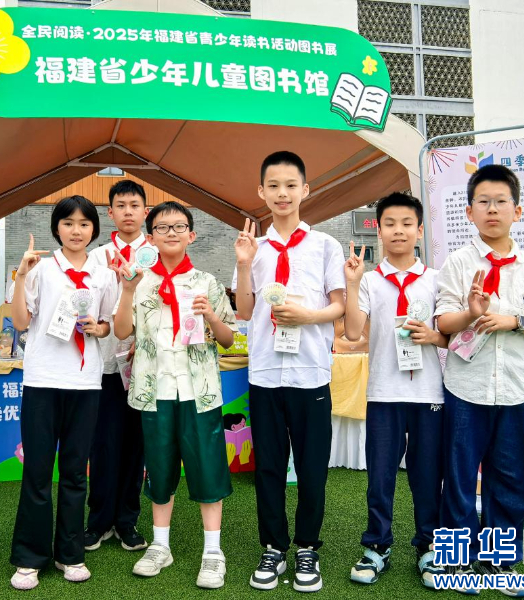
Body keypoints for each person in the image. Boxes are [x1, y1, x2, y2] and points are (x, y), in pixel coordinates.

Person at [435, 164, 524, 596]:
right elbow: (443, 322)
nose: (492, 209)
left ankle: (498, 562)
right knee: (459, 476)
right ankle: (457, 561)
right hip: (466, 387)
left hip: (514, 388)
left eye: (501, 201)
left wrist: (513, 320)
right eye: (483, 202)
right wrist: (471, 312)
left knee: (512, 476)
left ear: (517, 211)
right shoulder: (458, 262)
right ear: (469, 212)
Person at [233, 151, 345, 592]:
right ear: (261, 191)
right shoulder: (253, 248)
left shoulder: (325, 246)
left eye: (291, 185)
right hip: (265, 374)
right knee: (269, 468)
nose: (283, 193)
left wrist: (308, 316)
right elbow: (245, 311)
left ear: (305, 190)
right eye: (274, 186)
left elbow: (338, 306)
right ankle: (273, 547)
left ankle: (307, 548)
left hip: (310, 373)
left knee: (313, 468)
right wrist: (244, 265)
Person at [113, 201, 237, 589]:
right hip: (155, 392)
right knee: (159, 468)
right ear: (149, 238)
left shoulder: (207, 282)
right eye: (162, 227)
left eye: (179, 226)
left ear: (191, 235)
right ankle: (160, 545)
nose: (171, 233)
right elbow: (121, 331)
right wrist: (127, 289)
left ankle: (213, 552)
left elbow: (229, 340)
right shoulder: (139, 281)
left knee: (207, 469)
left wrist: (211, 316)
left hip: (199, 393)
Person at [8, 195, 118, 590]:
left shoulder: (104, 274)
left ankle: (70, 553)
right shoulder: (40, 269)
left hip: (85, 382)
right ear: (56, 227)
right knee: (37, 472)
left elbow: (108, 323)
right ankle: (29, 557)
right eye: (68, 223)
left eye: (84, 224)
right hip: (42, 380)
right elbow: (21, 322)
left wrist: (98, 329)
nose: (76, 230)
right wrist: (21, 276)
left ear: (94, 229)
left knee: (74, 473)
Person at [343, 192, 447, 588]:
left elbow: (451, 336)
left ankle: (429, 546)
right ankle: (377, 545)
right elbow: (353, 332)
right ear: (379, 231)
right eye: (389, 223)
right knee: (380, 476)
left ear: (419, 231)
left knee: (427, 476)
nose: (398, 230)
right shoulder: (370, 281)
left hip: (429, 394)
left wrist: (432, 335)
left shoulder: (437, 280)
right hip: (384, 393)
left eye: (406, 223)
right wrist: (352, 283)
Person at [83, 180, 150, 552]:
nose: (128, 211)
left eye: (134, 205)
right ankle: (98, 521)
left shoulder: (155, 254)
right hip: (106, 367)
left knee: (135, 447)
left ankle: (127, 521)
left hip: (144, 368)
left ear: (145, 211)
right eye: (120, 205)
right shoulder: (96, 257)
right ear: (110, 213)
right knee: (103, 445)